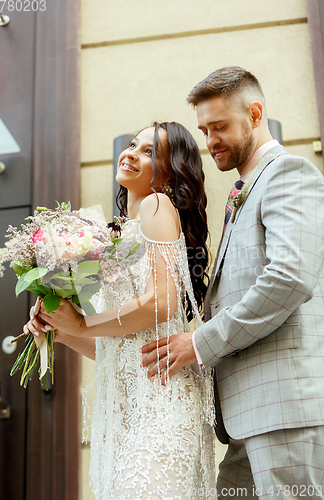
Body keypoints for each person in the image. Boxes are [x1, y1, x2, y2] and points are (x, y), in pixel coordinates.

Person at [141, 67, 324, 499]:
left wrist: (199, 343)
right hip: (245, 416)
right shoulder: (245, 189)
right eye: (205, 130)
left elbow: (290, 277)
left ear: (255, 113)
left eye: (219, 126)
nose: (210, 142)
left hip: (286, 411)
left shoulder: (288, 174)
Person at [25, 122, 216, 500]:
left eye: (148, 152)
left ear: (169, 174)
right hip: (128, 413)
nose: (131, 153)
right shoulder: (116, 237)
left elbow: (161, 303)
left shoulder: (157, 204)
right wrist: (63, 332)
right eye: (132, 145)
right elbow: (120, 352)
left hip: (163, 406)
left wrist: (81, 320)